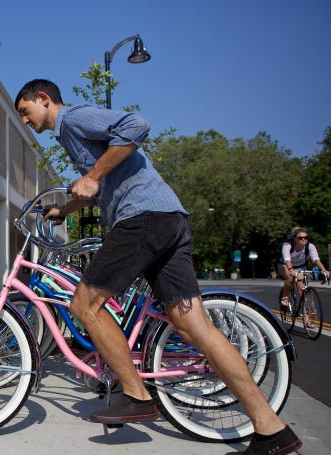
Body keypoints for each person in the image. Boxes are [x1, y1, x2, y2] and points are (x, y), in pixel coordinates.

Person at [15, 79, 301, 455]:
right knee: (194, 326)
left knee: (84, 305)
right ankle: (271, 428)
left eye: (25, 111)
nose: (24, 120)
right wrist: (64, 209)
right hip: (168, 218)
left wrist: (93, 175)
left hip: (143, 218)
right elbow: (99, 183)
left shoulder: (73, 119)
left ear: (44, 99)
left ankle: (136, 394)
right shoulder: (71, 137)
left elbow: (138, 124)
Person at [277, 227, 330, 327]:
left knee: (302, 292)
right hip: (284, 265)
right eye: (300, 238)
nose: (303, 239)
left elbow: (316, 259)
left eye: (306, 237)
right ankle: (284, 298)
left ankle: (307, 320)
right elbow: (287, 259)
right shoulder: (287, 245)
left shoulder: (310, 246)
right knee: (290, 278)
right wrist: (291, 270)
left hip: (301, 267)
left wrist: (324, 270)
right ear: (295, 238)